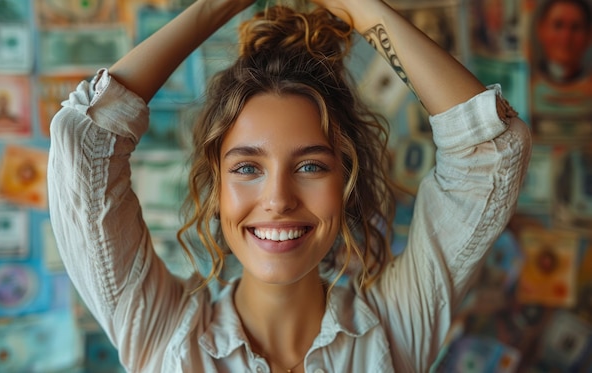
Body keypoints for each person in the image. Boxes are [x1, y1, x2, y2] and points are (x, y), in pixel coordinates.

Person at [47, 0, 531, 371]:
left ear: (347, 180)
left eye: (310, 167)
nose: (278, 200)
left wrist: (359, 6)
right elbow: (83, 142)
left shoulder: (395, 328)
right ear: (215, 188)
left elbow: (490, 152)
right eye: (247, 168)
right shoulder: (164, 334)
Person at [536, 0, 592, 83]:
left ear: (588, 36)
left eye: (575, 27)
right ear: (541, 30)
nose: (566, 37)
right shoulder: (525, 81)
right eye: (558, 25)